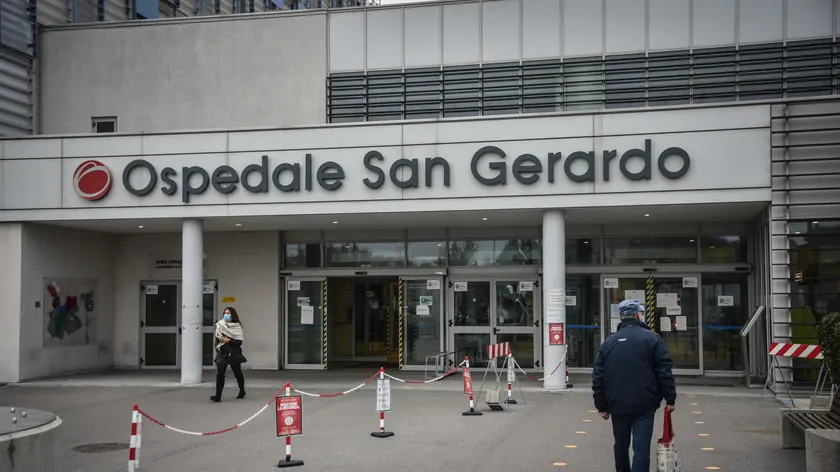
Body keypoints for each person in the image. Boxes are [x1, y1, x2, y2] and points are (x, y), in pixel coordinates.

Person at [592, 299, 677, 472]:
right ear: (638, 315)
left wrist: (601, 404)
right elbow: (664, 370)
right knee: (641, 448)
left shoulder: (609, 342)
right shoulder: (652, 339)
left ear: (622, 318)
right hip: (645, 402)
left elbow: (598, 376)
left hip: (617, 403)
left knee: (621, 445)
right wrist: (670, 398)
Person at [210, 307, 247, 402]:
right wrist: (220, 342)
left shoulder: (237, 327)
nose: (226, 315)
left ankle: (242, 390)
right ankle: (218, 396)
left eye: (228, 313)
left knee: (237, 372)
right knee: (220, 374)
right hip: (223, 352)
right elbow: (217, 338)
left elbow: (239, 342)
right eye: (225, 313)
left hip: (233, 353)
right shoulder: (220, 325)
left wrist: (229, 340)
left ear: (233, 315)